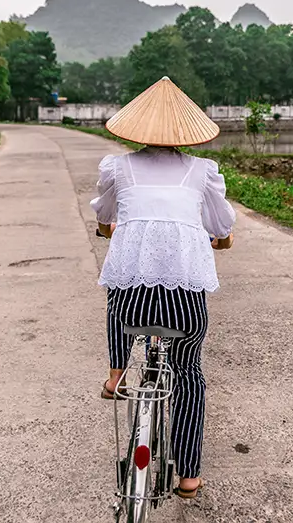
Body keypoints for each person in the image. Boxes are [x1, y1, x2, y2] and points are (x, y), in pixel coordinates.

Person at [90, 76, 235, 501]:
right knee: (188, 372)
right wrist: (218, 240)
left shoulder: (116, 167)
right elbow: (221, 227)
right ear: (184, 136)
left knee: (118, 289)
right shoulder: (203, 172)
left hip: (131, 308)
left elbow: (104, 212)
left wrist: (109, 230)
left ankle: (116, 373)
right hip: (184, 304)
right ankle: (188, 475)